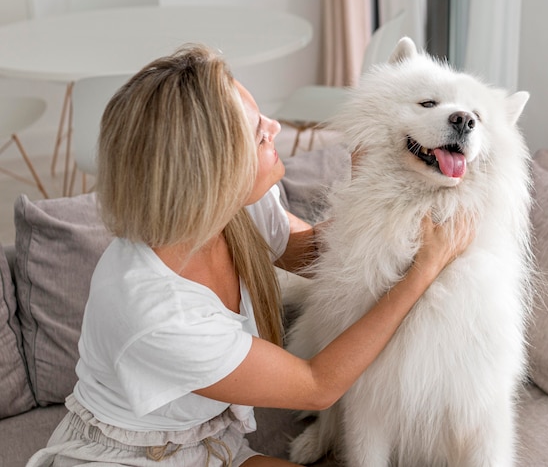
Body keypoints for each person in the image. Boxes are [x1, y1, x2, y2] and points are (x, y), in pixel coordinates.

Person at [26, 44, 474, 467]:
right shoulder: (158, 312)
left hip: (210, 443)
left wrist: (368, 184)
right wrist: (424, 270)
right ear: (212, 173)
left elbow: (315, 253)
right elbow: (318, 385)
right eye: (259, 133)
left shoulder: (237, 207)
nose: (276, 127)